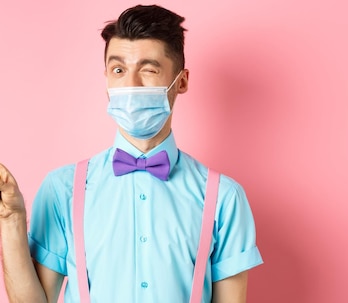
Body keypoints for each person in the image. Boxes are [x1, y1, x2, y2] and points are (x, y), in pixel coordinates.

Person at [0, 4, 263, 302]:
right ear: (107, 82)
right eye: (119, 70)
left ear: (183, 81)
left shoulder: (224, 198)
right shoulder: (62, 189)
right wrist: (11, 220)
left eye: (149, 70)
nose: (131, 85)